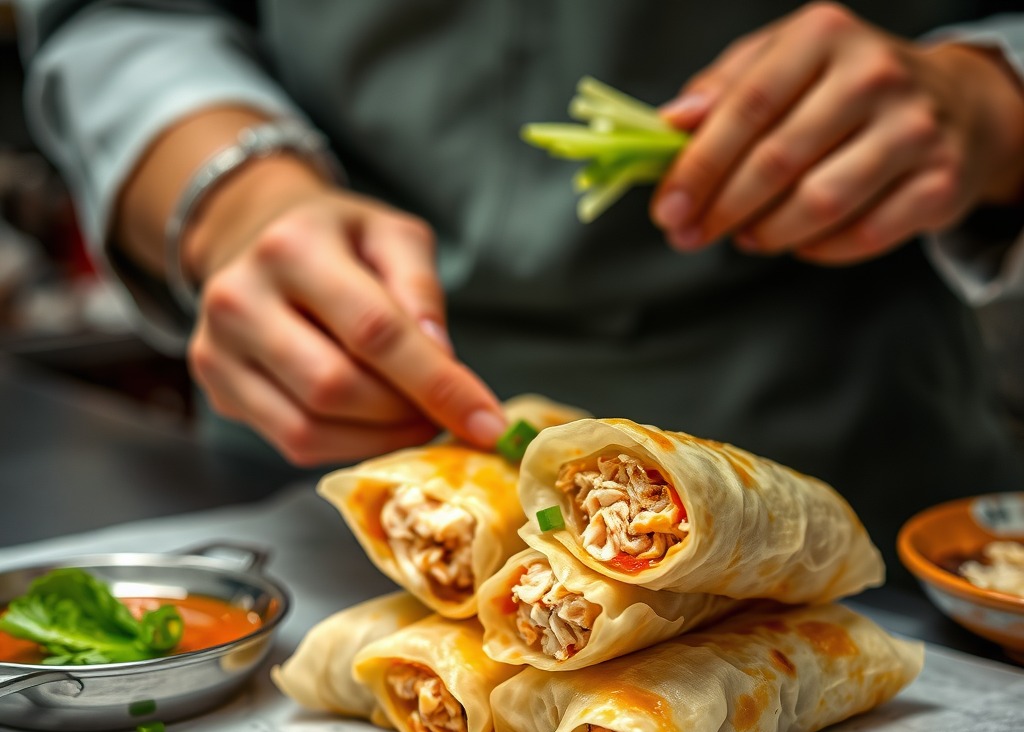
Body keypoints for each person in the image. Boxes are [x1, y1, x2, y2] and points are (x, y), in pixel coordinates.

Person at [15, 1, 1024, 571]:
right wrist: (240, 206)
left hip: (864, 488)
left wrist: (986, 98)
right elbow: (117, 15)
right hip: (317, 489)